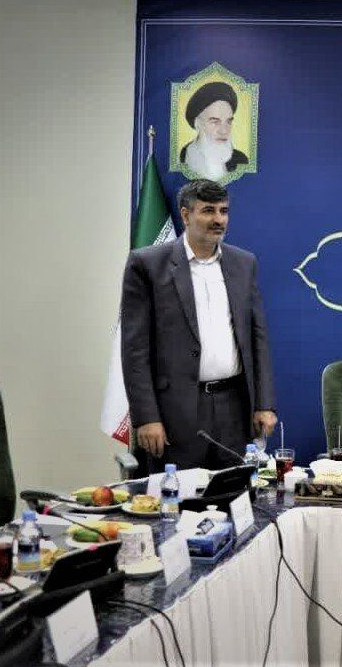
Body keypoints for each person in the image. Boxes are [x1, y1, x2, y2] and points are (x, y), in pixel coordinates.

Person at [121, 179, 277, 472]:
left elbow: (258, 337)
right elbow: (135, 350)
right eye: (208, 211)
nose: (218, 219)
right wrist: (147, 417)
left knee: (234, 494)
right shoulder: (147, 265)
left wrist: (264, 403)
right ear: (185, 215)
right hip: (175, 414)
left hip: (234, 410)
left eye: (223, 211)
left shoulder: (244, 263)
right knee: (178, 496)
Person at [179, 81, 249, 181]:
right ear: (197, 124)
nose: (224, 131)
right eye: (215, 122)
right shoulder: (183, 157)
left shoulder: (241, 160)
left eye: (228, 121)